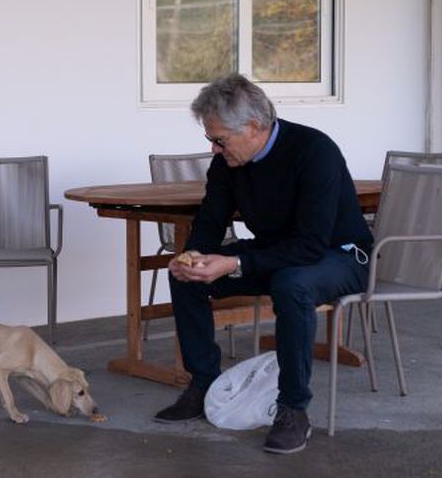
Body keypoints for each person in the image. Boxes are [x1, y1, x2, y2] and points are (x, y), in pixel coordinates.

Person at [153, 73, 372, 454]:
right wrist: (194, 258)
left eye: (219, 140)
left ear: (254, 128)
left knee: (293, 284)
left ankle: (292, 409)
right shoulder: (228, 163)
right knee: (185, 278)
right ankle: (203, 382)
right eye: (210, 140)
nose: (214, 150)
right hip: (281, 252)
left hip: (340, 254)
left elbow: (310, 245)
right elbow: (210, 218)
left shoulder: (313, 151)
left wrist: (234, 262)